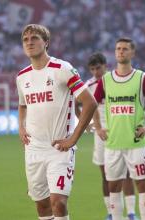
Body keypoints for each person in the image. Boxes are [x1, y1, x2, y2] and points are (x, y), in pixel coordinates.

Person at [16, 24, 96, 220]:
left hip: (59, 149)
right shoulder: (22, 76)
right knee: (42, 206)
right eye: (25, 40)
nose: (29, 42)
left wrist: (73, 138)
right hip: (34, 149)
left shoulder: (62, 68)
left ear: (46, 43)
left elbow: (89, 102)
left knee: (58, 203)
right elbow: (23, 104)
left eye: (34, 38)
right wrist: (21, 126)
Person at [94, 38, 145, 220]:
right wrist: (98, 127)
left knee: (142, 184)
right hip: (113, 144)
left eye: (125, 49)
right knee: (113, 187)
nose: (121, 52)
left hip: (136, 144)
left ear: (132, 53)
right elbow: (92, 104)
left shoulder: (142, 78)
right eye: (118, 48)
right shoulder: (106, 80)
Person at [78, 52, 139, 220]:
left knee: (125, 172)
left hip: (120, 131)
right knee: (105, 174)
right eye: (92, 69)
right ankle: (111, 213)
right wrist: (89, 125)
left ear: (105, 66)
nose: (96, 72)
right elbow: (76, 104)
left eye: (98, 68)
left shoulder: (116, 81)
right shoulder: (88, 85)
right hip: (101, 134)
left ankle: (131, 213)